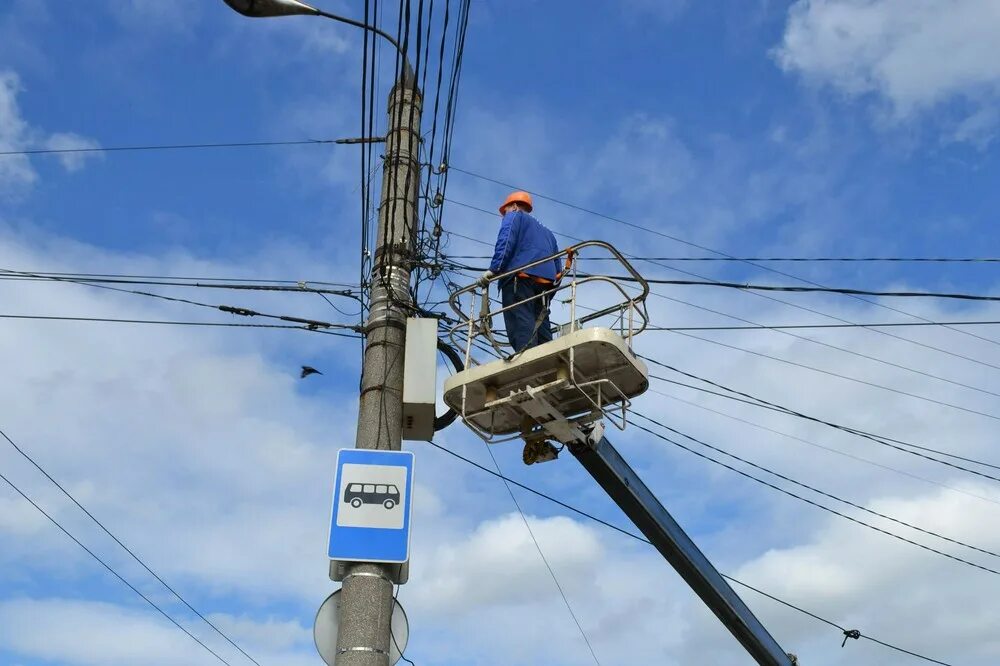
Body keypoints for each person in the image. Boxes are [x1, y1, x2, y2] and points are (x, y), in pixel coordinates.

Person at [478, 191, 562, 352]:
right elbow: (558, 269)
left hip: (520, 280)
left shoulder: (514, 216)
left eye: (506, 211)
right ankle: (548, 363)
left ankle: (528, 363)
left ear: (515, 206)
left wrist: (494, 270)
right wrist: (550, 291)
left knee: (521, 325)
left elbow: (505, 241)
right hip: (544, 287)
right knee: (541, 325)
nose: (504, 216)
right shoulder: (548, 234)